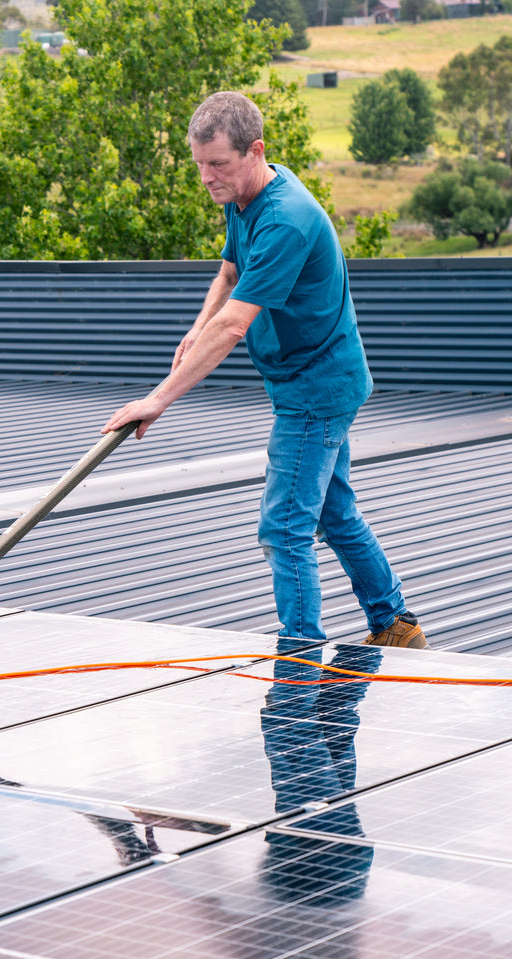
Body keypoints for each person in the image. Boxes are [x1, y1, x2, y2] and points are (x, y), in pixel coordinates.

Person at [102, 91, 427, 650]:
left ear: (255, 151)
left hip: (317, 388)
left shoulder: (286, 221)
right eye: (200, 164)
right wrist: (194, 328)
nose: (207, 178)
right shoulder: (243, 192)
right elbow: (229, 275)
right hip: (306, 379)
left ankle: (299, 656)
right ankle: (396, 625)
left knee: (283, 528)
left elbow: (234, 327)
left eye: (218, 164)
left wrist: (158, 398)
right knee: (334, 512)